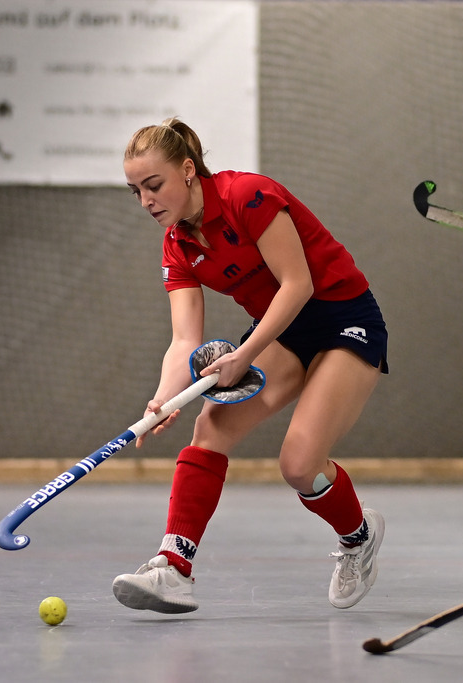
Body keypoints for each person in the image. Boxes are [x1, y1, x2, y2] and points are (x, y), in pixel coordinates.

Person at [111, 118, 389, 613]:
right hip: (282, 331)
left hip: (342, 317)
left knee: (299, 466)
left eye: (154, 185)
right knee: (210, 427)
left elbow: (297, 284)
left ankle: (359, 536)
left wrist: (244, 354)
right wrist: (162, 398)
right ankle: (173, 569)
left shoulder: (249, 196)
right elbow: (183, 340)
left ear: (189, 170)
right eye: (136, 191)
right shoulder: (178, 245)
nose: (146, 200)